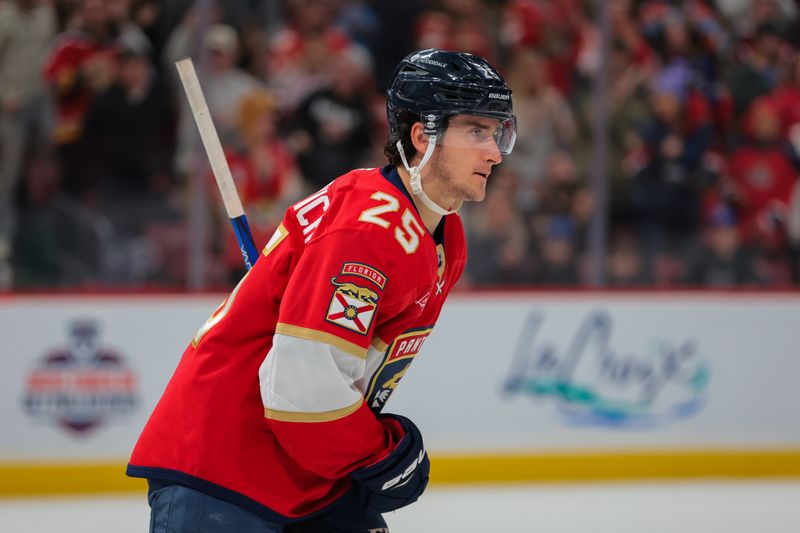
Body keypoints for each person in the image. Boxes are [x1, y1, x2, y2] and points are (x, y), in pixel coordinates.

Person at [126, 48, 516, 532]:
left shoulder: (443, 238)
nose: (495, 151)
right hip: (226, 471)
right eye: (477, 131)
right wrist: (380, 456)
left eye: (497, 133)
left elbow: (345, 376)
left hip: (300, 477)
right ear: (422, 136)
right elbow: (304, 390)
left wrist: (356, 472)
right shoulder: (367, 230)